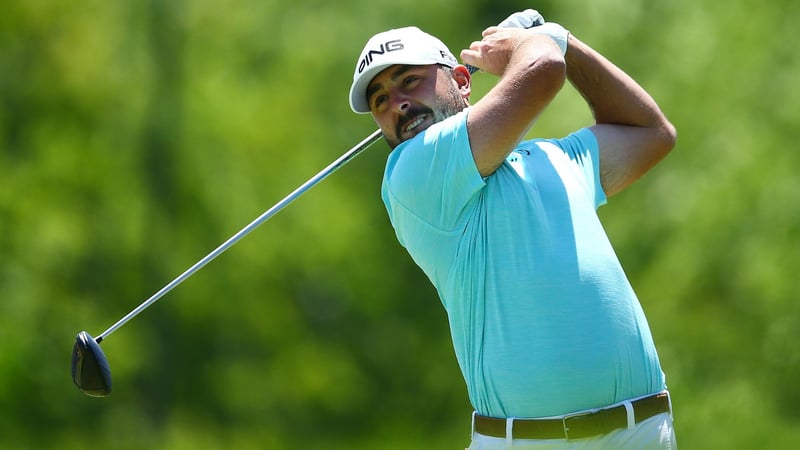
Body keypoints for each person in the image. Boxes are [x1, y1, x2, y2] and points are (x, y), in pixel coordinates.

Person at [348, 9, 677, 449]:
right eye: (380, 100)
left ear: (462, 81)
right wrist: (534, 44)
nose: (397, 103)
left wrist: (565, 41)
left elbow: (651, 133)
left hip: (641, 431)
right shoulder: (411, 174)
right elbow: (542, 71)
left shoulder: (553, 158)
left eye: (409, 81)